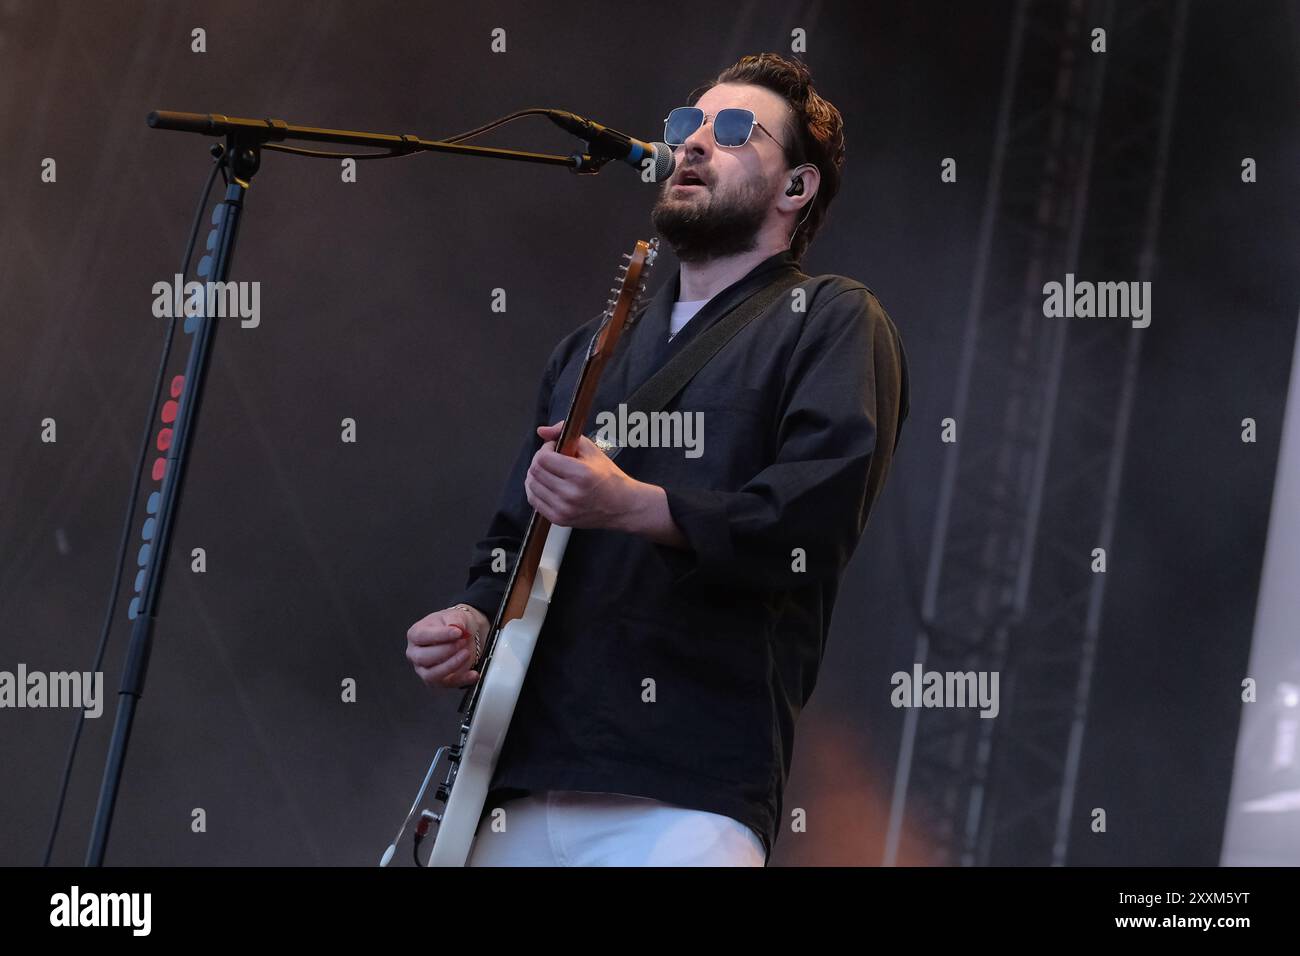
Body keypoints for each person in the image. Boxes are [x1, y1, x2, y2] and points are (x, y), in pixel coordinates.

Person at [405, 52, 909, 866]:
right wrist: (468, 619)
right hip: (519, 783)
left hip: (685, 792)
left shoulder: (832, 321)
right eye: (688, 125)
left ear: (796, 188)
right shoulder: (584, 353)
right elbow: (512, 540)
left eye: (737, 130)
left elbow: (812, 522)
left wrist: (631, 504)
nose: (697, 143)